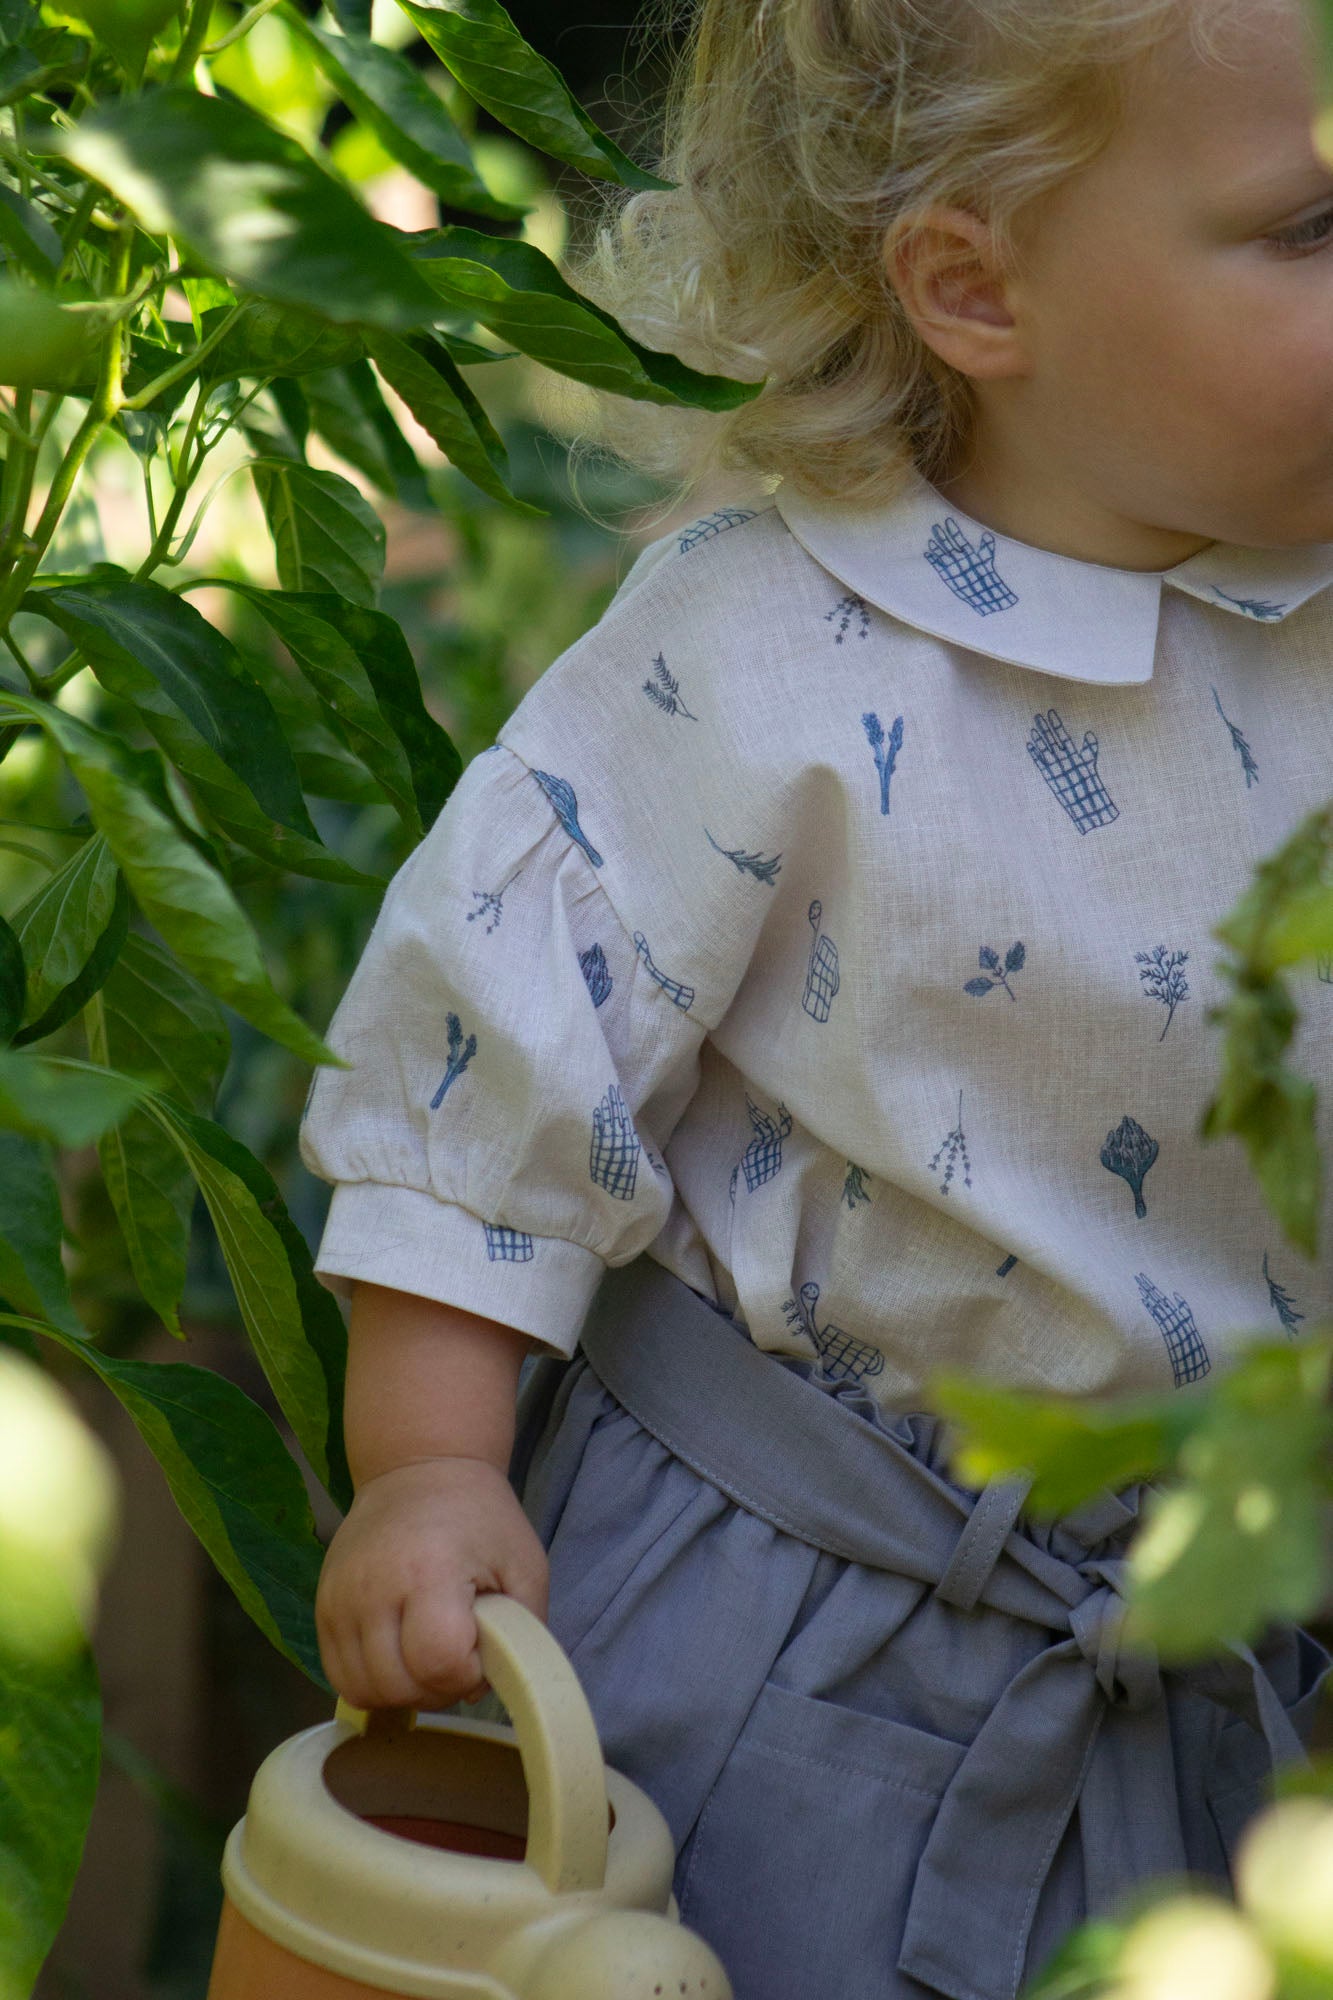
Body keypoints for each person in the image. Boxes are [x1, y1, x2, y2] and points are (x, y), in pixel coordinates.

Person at [299, 0, 1333, 1993]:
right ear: (972, 284)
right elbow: (501, 1049)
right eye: (1313, 221)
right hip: (783, 1623)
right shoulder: (764, 655)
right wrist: (426, 1462)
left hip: (1234, 1654)